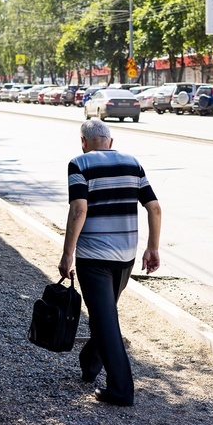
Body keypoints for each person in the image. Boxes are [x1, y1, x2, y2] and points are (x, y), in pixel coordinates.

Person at [58, 119, 162, 407]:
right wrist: (152, 248)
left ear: (83, 141)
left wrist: (67, 254)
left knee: (105, 319)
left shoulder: (79, 163)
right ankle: (90, 364)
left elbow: (79, 209)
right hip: (126, 257)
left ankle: (121, 390)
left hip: (93, 258)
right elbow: (154, 207)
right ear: (110, 142)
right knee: (105, 316)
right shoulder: (132, 163)